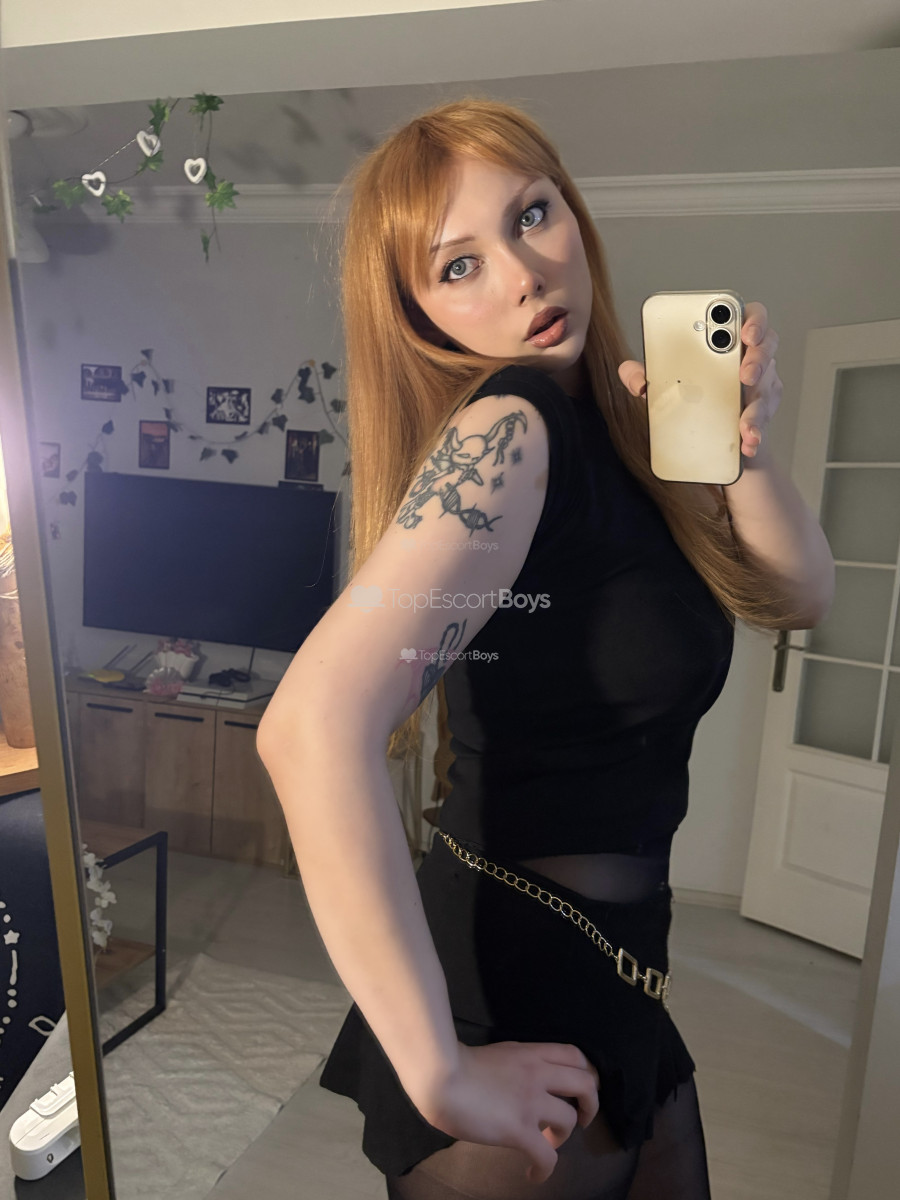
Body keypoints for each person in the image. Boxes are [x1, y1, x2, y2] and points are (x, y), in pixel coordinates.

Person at [257, 98, 834, 1199]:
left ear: (574, 212)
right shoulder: (510, 428)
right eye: (459, 265)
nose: (523, 274)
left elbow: (799, 595)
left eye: (531, 215)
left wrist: (746, 454)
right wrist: (438, 1071)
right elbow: (309, 729)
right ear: (418, 316)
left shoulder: (629, 436)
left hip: (618, 968)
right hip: (512, 980)